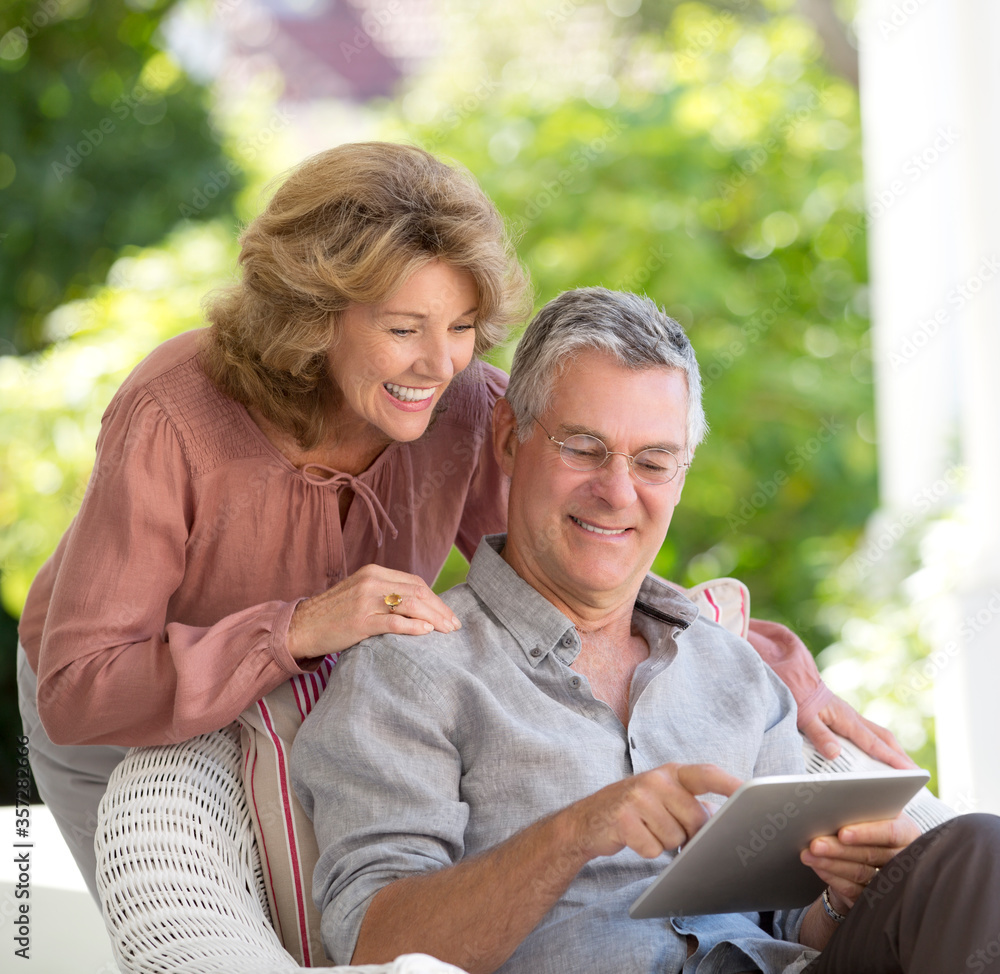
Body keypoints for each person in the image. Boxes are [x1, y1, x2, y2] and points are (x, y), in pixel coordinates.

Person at [16, 141, 904, 905]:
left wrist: (762, 661)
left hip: (308, 700)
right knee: (178, 914)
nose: (439, 364)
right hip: (115, 707)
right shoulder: (174, 414)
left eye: (465, 326)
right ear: (314, 316)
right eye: (405, 329)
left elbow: (576, 555)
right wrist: (300, 627)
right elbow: (80, 687)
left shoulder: (466, 406)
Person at [292, 287, 1000, 974]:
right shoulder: (413, 669)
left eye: (654, 462)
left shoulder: (734, 671)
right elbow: (376, 946)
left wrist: (847, 894)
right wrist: (576, 832)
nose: (618, 492)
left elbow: (790, 926)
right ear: (509, 437)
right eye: (584, 448)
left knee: (974, 851)